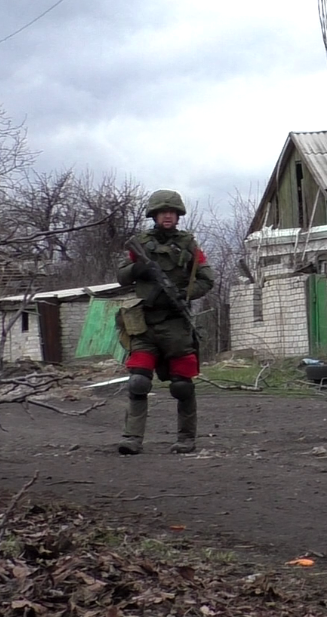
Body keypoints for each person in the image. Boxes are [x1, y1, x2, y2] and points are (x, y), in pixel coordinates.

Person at [116, 189, 215, 455]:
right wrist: (139, 268)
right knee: (138, 381)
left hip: (175, 322)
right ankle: (132, 438)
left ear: (178, 215)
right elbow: (122, 276)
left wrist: (185, 293)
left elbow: (208, 279)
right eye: (163, 212)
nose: (168, 216)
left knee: (182, 384)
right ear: (155, 215)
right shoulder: (140, 243)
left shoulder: (189, 245)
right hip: (144, 323)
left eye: (172, 212)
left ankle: (186, 438)